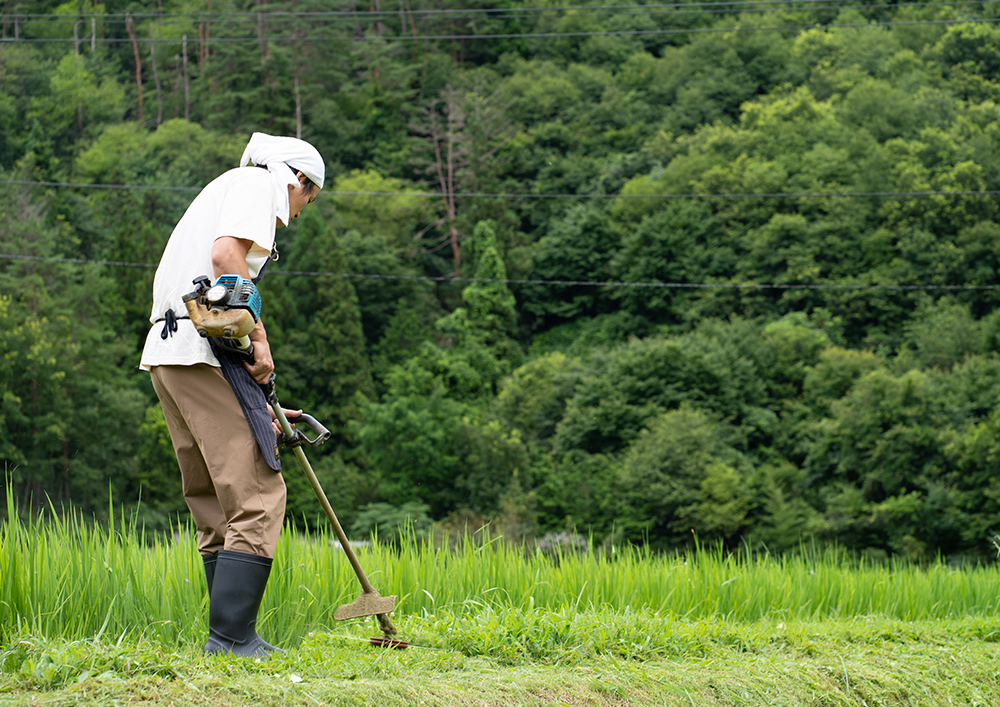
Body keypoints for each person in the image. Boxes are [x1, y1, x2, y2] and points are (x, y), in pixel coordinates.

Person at [139, 132, 324, 658]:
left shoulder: (225, 187)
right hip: (203, 351)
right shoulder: (257, 185)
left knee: (213, 499)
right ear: (299, 181)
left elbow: (215, 298)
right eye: (306, 200)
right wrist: (261, 338)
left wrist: (258, 401)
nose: (298, 210)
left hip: (171, 355)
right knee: (260, 493)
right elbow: (226, 260)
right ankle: (232, 638)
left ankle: (229, 637)